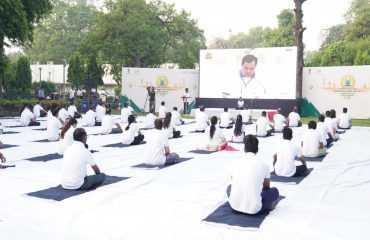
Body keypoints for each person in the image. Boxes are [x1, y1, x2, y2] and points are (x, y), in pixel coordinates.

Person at [228, 134, 279, 214]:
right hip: (254, 209)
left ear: (244, 149)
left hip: (234, 206)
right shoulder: (264, 165)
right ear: (257, 150)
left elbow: (233, 180)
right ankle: (267, 205)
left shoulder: (235, 163)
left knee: (230, 187)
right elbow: (266, 187)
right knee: (274, 191)